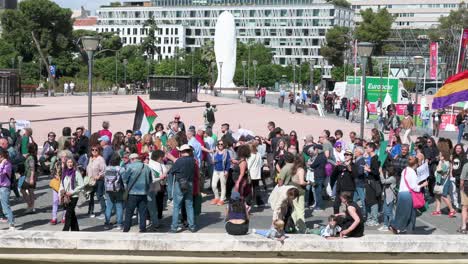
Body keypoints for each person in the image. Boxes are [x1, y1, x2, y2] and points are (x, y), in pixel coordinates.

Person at [390, 157, 428, 234]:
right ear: (416, 164)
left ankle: (408, 229)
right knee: (408, 214)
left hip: (402, 193)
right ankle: (395, 225)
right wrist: (423, 185)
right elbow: (414, 187)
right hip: (408, 195)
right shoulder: (412, 172)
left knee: (406, 213)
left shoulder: (405, 170)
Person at [168, 144, 197, 233]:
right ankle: (192, 226)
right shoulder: (193, 160)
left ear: (182, 152)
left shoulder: (179, 161)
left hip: (180, 183)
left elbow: (172, 171)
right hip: (190, 183)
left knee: (177, 206)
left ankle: (174, 227)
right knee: (189, 205)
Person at [122, 153, 152, 233]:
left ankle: (126, 229)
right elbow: (150, 181)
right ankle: (143, 229)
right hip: (143, 193)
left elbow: (124, 179)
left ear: (132, 159)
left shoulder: (130, 167)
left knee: (129, 212)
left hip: (132, 193)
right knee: (142, 212)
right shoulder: (146, 167)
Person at [60, 158, 84, 231]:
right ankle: (75, 229)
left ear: (73, 163)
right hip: (66, 196)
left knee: (68, 213)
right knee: (72, 213)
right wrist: (62, 190)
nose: (70, 164)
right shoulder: (64, 172)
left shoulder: (76, 173)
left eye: (71, 162)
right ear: (66, 163)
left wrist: (72, 192)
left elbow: (82, 185)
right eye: (68, 162)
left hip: (74, 196)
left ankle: (65, 230)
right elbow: (61, 183)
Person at [104, 154, 125, 230]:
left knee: (109, 206)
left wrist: (105, 189)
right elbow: (124, 181)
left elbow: (105, 180)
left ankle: (106, 223)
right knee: (119, 206)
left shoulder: (107, 168)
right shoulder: (121, 169)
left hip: (108, 190)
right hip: (118, 190)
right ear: (119, 161)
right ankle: (119, 224)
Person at [147, 150, 168, 230]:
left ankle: (158, 219)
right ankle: (149, 219)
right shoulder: (150, 164)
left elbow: (164, 169)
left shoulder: (161, 162)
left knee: (160, 202)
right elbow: (153, 177)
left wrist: (165, 173)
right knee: (152, 204)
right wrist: (161, 176)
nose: (163, 158)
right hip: (154, 186)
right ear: (158, 157)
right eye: (162, 157)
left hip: (161, 185)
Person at [432, 152, 456, 217]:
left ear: (444, 156)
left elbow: (443, 170)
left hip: (444, 181)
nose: (439, 156)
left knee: (443, 196)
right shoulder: (441, 161)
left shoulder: (446, 162)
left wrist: (441, 163)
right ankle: (438, 210)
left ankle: (452, 210)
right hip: (439, 180)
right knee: (437, 194)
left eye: (440, 155)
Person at [86, 144, 106, 219]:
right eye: (92, 150)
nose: (94, 151)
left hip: (98, 180)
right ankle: (90, 211)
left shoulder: (100, 159)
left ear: (99, 151)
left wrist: (98, 176)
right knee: (90, 196)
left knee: (99, 195)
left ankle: (104, 211)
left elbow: (104, 170)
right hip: (90, 180)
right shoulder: (90, 158)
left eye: (96, 150)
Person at [364, 143, 381, 226]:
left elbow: (376, 172)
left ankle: (375, 219)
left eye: (366, 148)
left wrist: (368, 169)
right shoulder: (371, 158)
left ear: (371, 149)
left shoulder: (375, 158)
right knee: (368, 200)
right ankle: (370, 218)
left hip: (373, 182)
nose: (366, 149)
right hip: (369, 181)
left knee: (373, 201)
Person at [333, 150, 355, 214]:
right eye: (345, 154)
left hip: (348, 189)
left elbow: (354, 175)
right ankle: (336, 220)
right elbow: (334, 175)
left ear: (351, 156)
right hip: (340, 189)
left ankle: (349, 219)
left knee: (348, 206)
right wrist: (336, 167)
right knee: (335, 205)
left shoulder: (353, 165)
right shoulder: (341, 165)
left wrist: (348, 166)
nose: (345, 156)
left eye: (347, 155)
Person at [211, 140, 231, 206]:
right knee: (213, 185)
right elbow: (213, 160)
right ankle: (216, 197)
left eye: (221, 144)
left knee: (223, 185)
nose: (220, 145)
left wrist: (227, 170)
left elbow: (228, 162)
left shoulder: (226, 152)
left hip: (223, 171)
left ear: (224, 145)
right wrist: (213, 161)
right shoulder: (216, 152)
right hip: (216, 170)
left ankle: (222, 199)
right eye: (219, 144)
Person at [0, 149, 15, 230]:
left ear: (1, 156)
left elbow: (1, 174)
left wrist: (2, 164)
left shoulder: (7, 164)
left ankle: (11, 223)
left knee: (5, 206)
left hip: (4, 187)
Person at [379, 166, 397, 232]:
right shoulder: (390, 177)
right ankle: (385, 225)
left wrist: (381, 172)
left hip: (390, 197)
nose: (385, 172)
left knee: (389, 212)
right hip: (387, 197)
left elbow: (383, 181)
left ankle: (392, 225)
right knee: (385, 212)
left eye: (387, 171)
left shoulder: (392, 178)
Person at [309, 144, 327, 211]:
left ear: (317, 149)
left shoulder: (320, 157)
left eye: (315, 149)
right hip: (321, 175)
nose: (314, 151)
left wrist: (310, 164)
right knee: (318, 191)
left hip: (319, 175)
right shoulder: (323, 156)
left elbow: (313, 165)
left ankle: (319, 206)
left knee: (318, 191)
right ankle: (317, 205)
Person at [22, 143, 37, 214]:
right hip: (30, 176)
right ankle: (31, 207)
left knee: (23, 190)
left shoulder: (31, 157)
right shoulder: (30, 156)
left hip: (29, 176)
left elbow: (32, 168)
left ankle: (30, 205)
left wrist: (31, 178)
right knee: (30, 191)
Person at [247, 142, 264, 207]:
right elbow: (261, 164)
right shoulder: (258, 154)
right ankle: (258, 201)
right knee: (256, 187)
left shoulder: (251, 155)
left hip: (251, 173)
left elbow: (248, 165)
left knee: (249, 188)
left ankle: (248, 202)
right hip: (257, 173)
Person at [352, 146, 367, 217]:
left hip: (359, 182)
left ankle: (364, 213)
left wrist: (353, 173)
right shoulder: (357, 160)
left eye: (356, 151)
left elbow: (360, 172)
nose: (354, 152)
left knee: (362, 199)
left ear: (360, 153)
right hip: (356, 182)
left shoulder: (361, 160)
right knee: (354, 199)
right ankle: (353, 212)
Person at [458, 162, 468, 233]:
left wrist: (461, 188)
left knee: (464, 208)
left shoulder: (466, 165)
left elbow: (462, 180)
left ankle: (464, 226)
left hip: (466, 188)